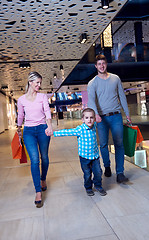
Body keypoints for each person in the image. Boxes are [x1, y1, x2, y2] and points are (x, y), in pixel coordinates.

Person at [87, 54, 132, 183]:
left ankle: (120, 173)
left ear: (106, 64)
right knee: (104, 144)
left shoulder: (115, 79)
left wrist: (127, 114)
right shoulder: (92, 83)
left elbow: (122, 97)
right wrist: (95, 115)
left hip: (116, 115)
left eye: (103, 63)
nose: (102, 66)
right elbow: (91, 101)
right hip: (101, 118)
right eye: (99, 64)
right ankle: (107, 166)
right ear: (96, 66)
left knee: (119, 144)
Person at [17, 72, 53, 208]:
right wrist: (18, 129)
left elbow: (47, 112)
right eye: (37, 82)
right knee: (35, 159)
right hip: (29, 131)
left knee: (44, 157)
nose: (39, 85)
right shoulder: (21, 100)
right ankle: (38, 190)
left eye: (40, 83)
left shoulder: (42, 96)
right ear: (30, 82)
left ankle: (43, 179)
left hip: (43, 129)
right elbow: (20, 115)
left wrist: (49, 126)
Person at [53, 108, 107, 197]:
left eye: (91, 117)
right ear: (82, 119)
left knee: (98, 172)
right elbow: (67, 132)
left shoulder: (94, 126)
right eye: (86, 118)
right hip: (84, 157)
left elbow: (100, 121)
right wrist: (54, 133)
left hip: (95, 156)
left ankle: (98, 186)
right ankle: (88, 187)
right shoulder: (80, 129)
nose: (89, 120)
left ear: (94, 119)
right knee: (87, 174)